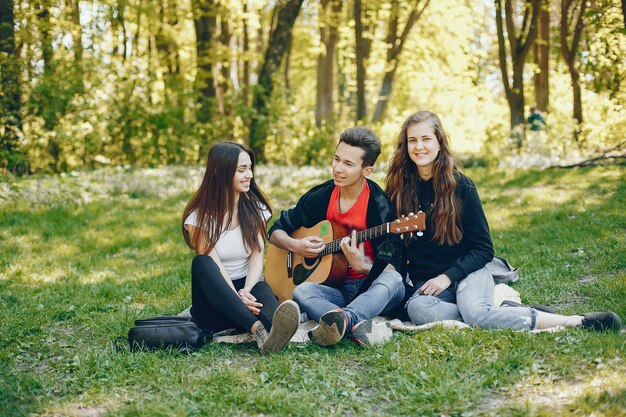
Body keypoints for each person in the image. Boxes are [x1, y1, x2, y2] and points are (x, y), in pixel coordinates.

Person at [385, 110, 621, 332]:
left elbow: (483, 249)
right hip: (428, 285)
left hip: (468, 273)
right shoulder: (398, 191)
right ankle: (500, 314)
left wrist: (447, 277)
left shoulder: (462, 187)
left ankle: (574, 321)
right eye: (412, 141)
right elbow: (395, 248)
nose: (419, 147)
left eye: (426, 139)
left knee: (476, 315)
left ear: (439, 142)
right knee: (418, 309)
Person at [268, 127, 405, 347]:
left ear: (366, 170)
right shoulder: (320, 197)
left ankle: (343, 320)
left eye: (348, 164)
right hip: (335, 290)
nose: (338, 169)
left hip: (372, 291)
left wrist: (364, 267)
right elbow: (275, 231)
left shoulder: (380, 207)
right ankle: (352, 323)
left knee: (394, 281)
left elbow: (395, 265)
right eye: (336, 159)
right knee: (302, 290)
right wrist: (296, 245)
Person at [182, 141, 300, 354]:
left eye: (250, 169)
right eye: (242, 170)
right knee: (202, 263)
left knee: (263, 288)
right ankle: (258, 330)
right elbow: (214, 266)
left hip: (247, 291)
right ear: (220, 171)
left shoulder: (255, 209)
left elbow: (257, 256)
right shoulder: (198, 218)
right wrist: (237, 298)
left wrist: (246, 291)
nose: (250, 175)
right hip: (214, 306)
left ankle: (276, 328)